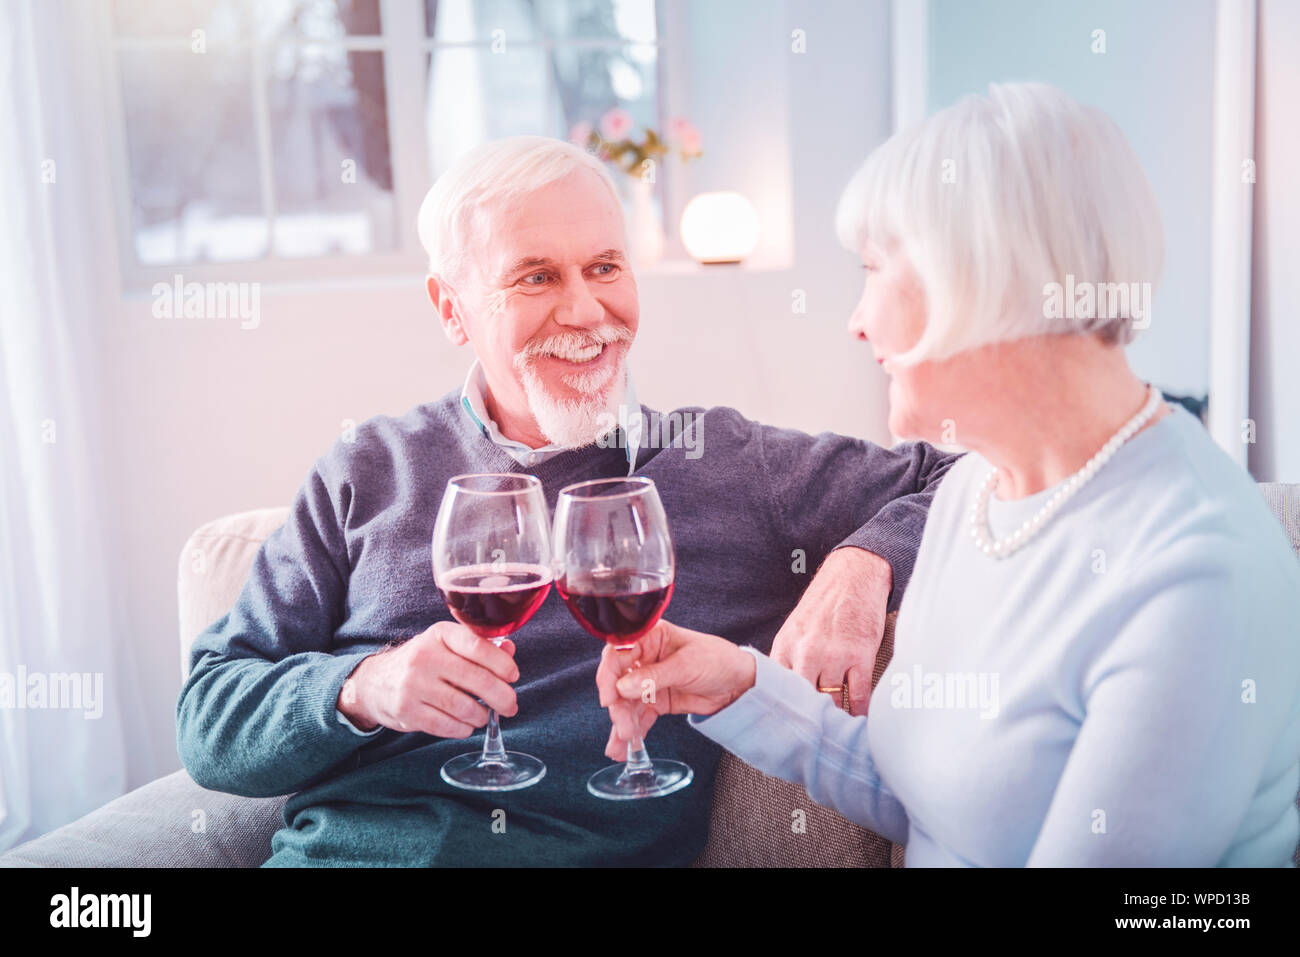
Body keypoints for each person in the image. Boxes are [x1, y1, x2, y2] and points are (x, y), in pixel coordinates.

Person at [175, 135, 959, 866]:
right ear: (451, 308)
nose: (587, 312)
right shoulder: (367, 471)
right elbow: (209, 719)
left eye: (607, 267)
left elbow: (967, 477)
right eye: (537, 276)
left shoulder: (726, 462)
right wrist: (360, 688)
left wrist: (862, 562)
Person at [599, 82, 1300, 867]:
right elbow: (926, 800)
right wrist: (736, 685)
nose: (856, 319)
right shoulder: (979, 491)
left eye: (873, 268)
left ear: (981, 280)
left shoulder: (1195, 574)